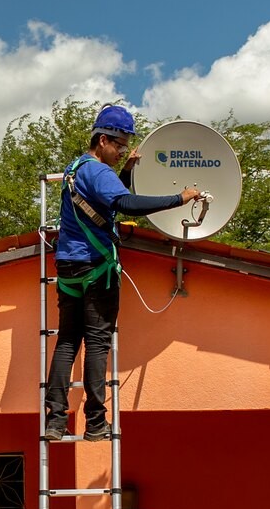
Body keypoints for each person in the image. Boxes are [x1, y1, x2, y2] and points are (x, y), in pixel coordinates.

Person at [45, 104, 206, 441]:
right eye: (118, 145)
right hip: (96, 268)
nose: (120, 151)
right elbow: (125, 204)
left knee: (67, 342)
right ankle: (95, 424)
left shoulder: (77, 168)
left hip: (69, 267)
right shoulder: (99, 172)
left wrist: (129, 172)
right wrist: (179, 198)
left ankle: (56, 421)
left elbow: (103, 199)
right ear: (102, 139)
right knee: (98, 344)